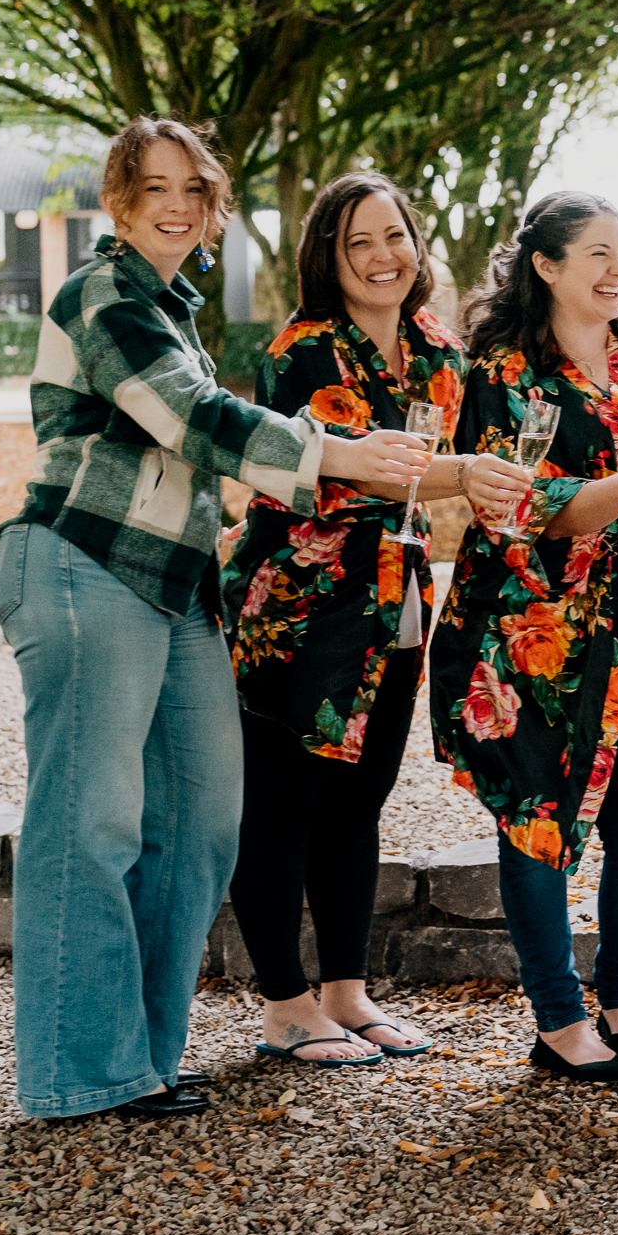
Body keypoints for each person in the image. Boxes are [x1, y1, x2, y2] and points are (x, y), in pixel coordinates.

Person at [0, 118, 427, 1118]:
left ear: (215, 203)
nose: (176, 203)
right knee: (90, 822)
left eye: (194, 186)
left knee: (199, 824)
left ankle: (140, 1054)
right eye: (152, 187)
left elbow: (187, 461)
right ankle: (81, 1072)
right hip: (81, 565)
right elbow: (190, 417)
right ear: (118, 200)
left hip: (177, 585)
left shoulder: (172, 307)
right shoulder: (103, 293)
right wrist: (341, 452)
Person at [429, 190, 618, 1083]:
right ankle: (559, 1019)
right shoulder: (501, 372)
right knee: (538, 826)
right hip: (529, 637)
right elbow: (523, 507)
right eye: (598, 253)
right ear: (547, 265)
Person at [221, 172, 532, 1066]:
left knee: (359, 807)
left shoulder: (439, 349)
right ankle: (285, 1005)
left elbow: (480, 453)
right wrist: (465, 475)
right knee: (282, 810)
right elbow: (368, 471)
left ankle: (348, 994)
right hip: (300, 612)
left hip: (394, 609)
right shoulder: (305, 349)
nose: (381, 257)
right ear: (329, 257)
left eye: (393, 236)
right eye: (357, 242)